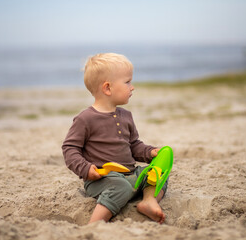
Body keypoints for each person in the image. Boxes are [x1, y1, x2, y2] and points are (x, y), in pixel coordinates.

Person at [62, 53, 167, 224]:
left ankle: (148, 201)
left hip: (130, 174)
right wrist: (85, 168)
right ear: (108, 88)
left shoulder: (126, 116)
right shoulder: (85, 119)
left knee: (158, 173)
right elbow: (69, 149)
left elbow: (133, 146)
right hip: (102, 179)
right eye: (127, 82)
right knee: (120, 186)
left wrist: (150, 152)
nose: (132, 87)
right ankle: (94, 224)